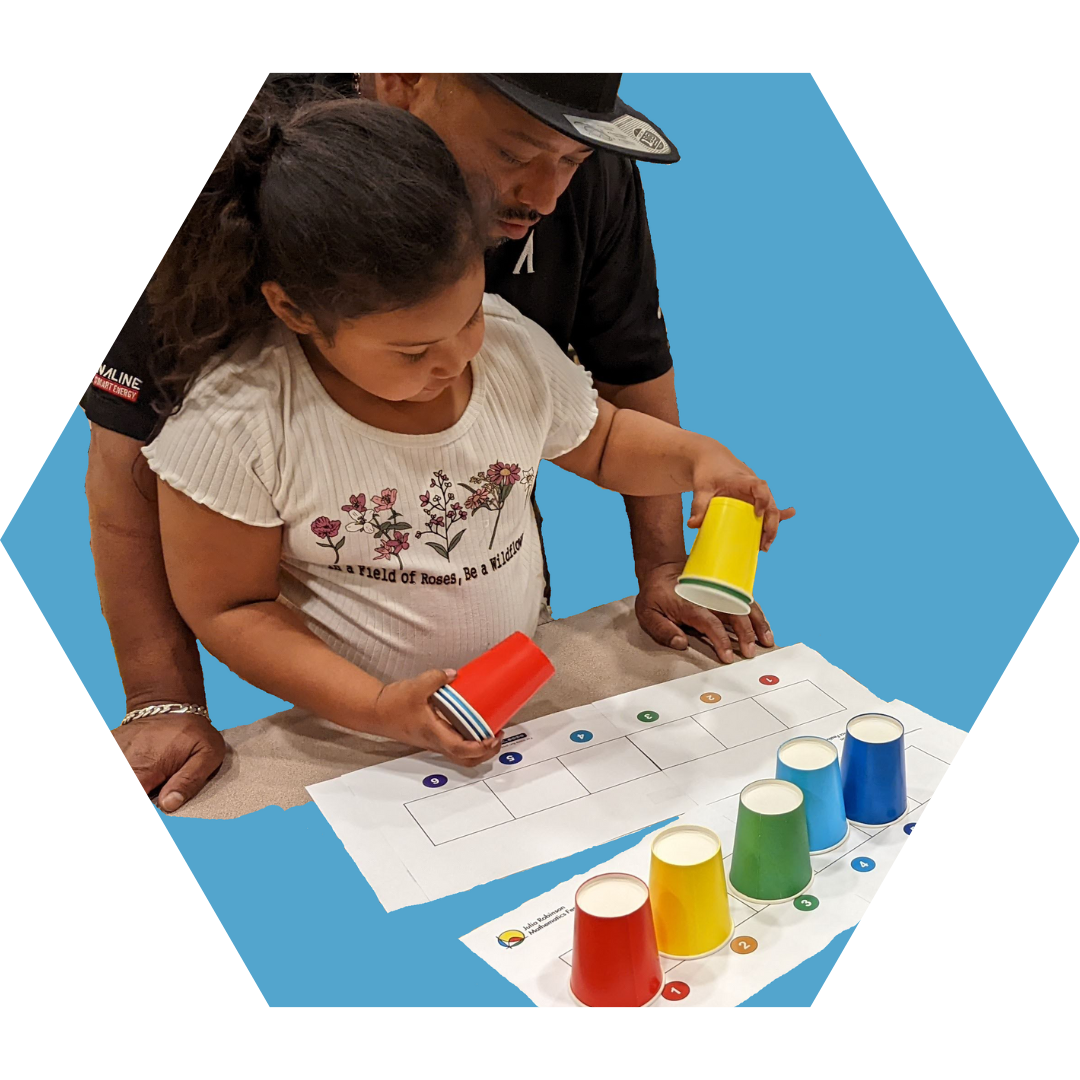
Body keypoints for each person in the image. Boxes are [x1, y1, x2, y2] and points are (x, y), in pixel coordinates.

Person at [87, 72, 781, 810]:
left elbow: (605, 436)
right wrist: (363, 705)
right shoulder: (241, 419)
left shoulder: (506, 346)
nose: (454, 363)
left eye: (469, 319)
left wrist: (695, 459)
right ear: (292, 309)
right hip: (351, 726)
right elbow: (225, 599)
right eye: (414, 353)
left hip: (503, 695)